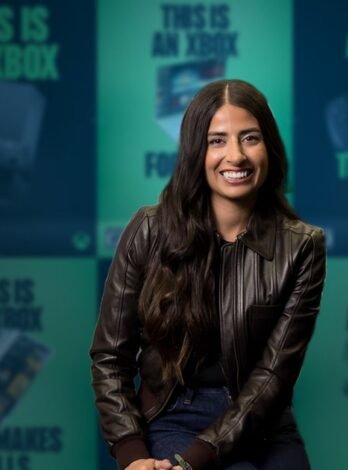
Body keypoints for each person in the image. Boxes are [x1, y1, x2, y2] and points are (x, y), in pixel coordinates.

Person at [90, 80, 326, 470]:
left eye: (250, 138)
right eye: (217, 141)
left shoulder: (302, 246)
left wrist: (193, 462)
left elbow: (273, 376)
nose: (236, 155)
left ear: (269, 147)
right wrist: (132, 453)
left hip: (263, 420)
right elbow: (110, 356)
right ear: (195, 152)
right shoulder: (149, 230)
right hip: (175, 413)